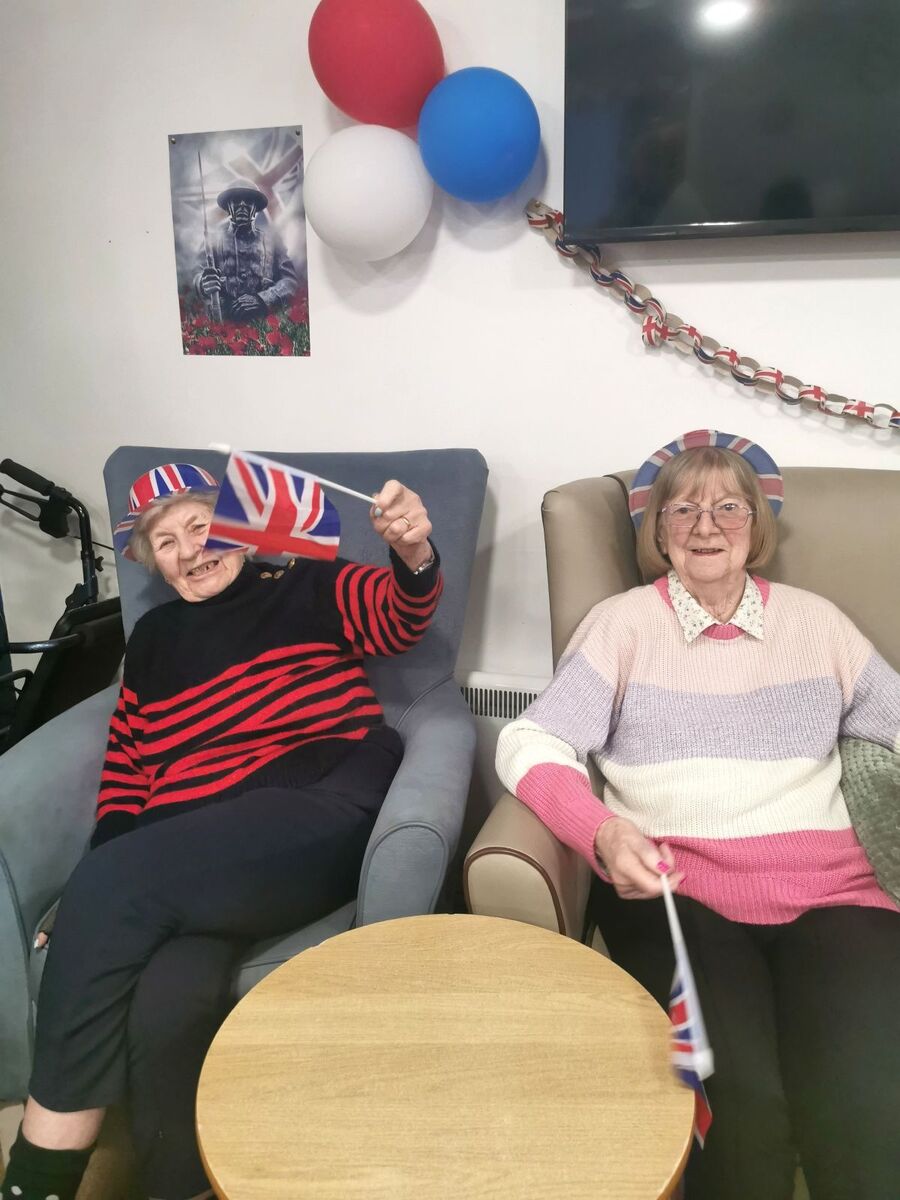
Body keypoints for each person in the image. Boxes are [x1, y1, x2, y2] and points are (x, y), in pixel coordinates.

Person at [4, 462, 441, 1200]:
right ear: (150, 562)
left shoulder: (307, 584)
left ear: (239, 527)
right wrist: (113, 864)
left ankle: (38, 1176)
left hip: (315, 802)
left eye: (202, 526)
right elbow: (128, 769)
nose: (190, 549)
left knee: (107, 886)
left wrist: (413, 553)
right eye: (165, 540)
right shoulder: (152, 642)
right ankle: (186, 1185)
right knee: (169, 995)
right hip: (193, 853)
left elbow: (401, 614)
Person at [496, 429, 900, 1200]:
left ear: (757, 523)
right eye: (683, 511)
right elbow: (531, 739)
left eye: (727, 508)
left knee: (868, 1104)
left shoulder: (817, 622)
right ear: (658, 532)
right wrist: (602, 830)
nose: (707, 528)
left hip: (836, 897)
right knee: (744, 1113)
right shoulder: (623, 625)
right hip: (682, 895)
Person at [195, 179, 298, 322]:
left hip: (263, 329)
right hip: (222, 327)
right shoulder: (212, 240)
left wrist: (263, 299)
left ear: (255, 207)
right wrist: (202, 283)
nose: (242, 205)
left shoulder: (273, 241)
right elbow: (196, 274)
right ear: (228, 206)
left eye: (248, 200)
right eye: (236, 199)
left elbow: (289, 281)